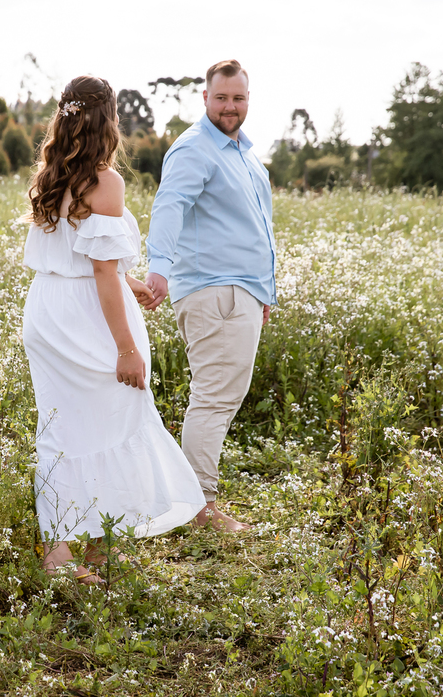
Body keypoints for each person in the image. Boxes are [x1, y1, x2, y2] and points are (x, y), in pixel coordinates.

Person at [22, 75, 206, 585]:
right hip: (85, 319)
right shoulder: (106, 181)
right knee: (116, 420)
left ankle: (75, 549)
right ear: (109, 120)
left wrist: (129, 281)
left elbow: (89, 261)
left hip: (48, 309)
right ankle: (80, 551)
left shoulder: (49, 175)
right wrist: (127, 347)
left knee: (62, 428)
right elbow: (99, 271)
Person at [142, 59, 277, 533]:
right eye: (221, 98)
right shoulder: (195, 148)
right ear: (205, 98)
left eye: (238, 98)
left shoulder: (244, 153)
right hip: (213, 291)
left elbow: (252, 228)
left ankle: (196, 501)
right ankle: (199, 509)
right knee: (214, 399)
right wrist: (158, 268)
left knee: (222, 396)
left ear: (247, 100)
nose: (230, 106)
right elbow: (170, 205)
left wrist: (261, 293)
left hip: (240, 293)